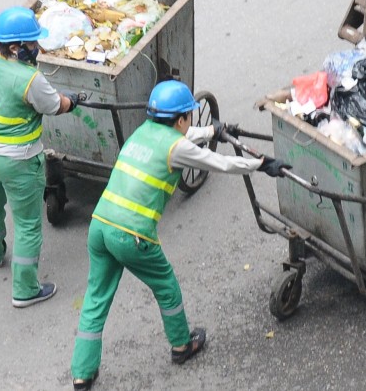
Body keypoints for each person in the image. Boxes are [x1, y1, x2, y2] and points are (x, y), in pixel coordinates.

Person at [70, 79, 289, 390]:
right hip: (132, 236)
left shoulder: (143, 132)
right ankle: (182, 345)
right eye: (189, 116)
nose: (190, 121)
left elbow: (185, 137)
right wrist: (262, 164)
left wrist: (213, 131)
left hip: (101, 225)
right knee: (167, 288)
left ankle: (81, 372)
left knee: (95, 298)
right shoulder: (176, 147)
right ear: (182, 118)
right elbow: (220, 163)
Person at [0, 6, 78, 307]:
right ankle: (25, 290)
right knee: (27, 223)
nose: (37, 48)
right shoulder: (30, 79)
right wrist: (73, 100)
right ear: (16, 47)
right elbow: (56, 106)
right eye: (32, 43)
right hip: (18, 159)